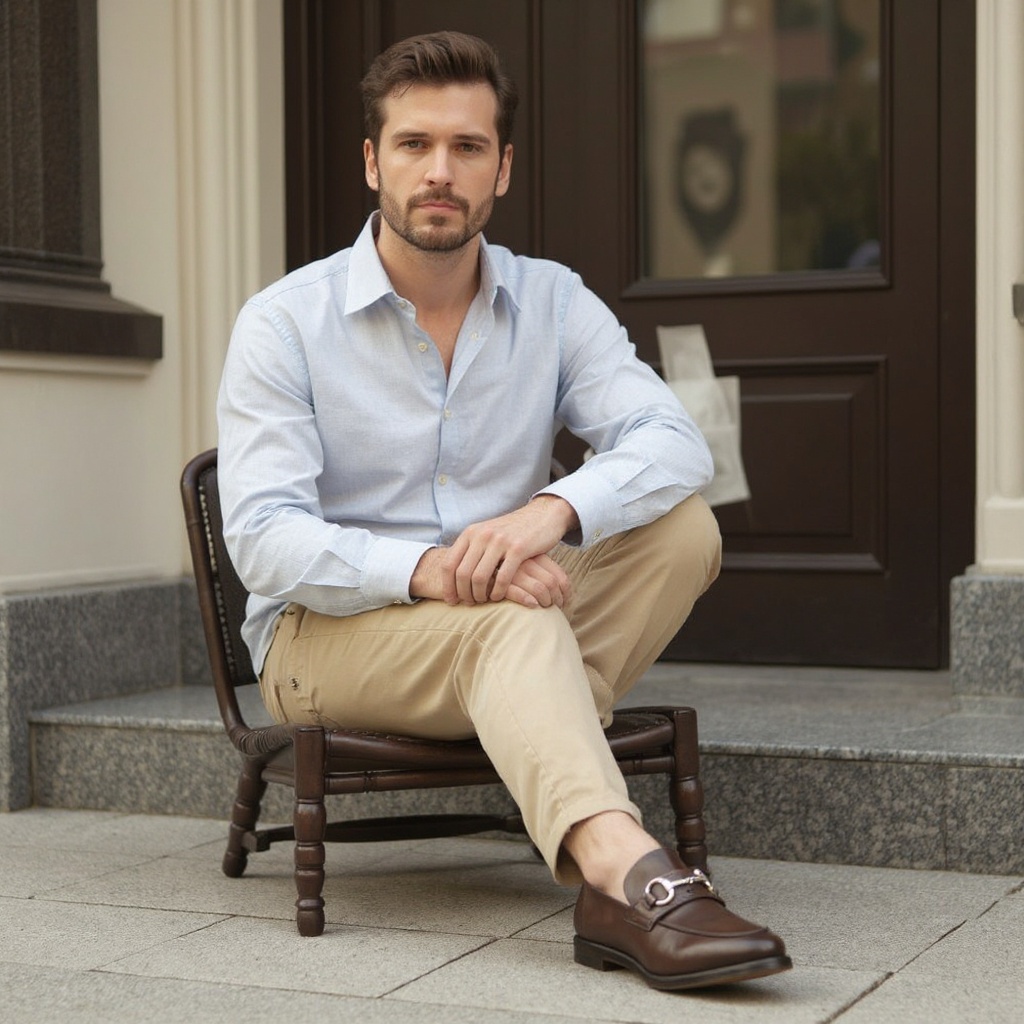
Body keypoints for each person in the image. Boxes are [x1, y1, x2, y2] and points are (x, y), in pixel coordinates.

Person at [217, 30, 789, 991]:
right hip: (329, 638)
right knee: (504, 628)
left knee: (685, 527)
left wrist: (551, 512)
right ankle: (627, 877)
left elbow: (675, 441)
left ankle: (535, 732)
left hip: (504, 618)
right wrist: (433, 571)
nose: (440, 172)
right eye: (413, 144)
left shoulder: (553, 302)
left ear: (503, 167)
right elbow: (265, 540)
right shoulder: (284, 322)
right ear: (372, 161)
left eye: (468, 147)